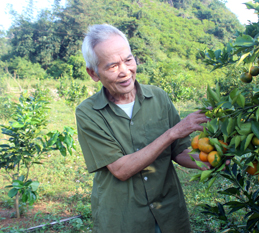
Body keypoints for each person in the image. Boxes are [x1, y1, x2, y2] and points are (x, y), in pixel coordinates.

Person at [76, 24, 211, 233]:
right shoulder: (89, 113)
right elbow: (121, 169)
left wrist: (211, 160)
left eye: (128, 60)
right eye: (112, 66)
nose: (125, 71)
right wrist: (173, 132)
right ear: (93, 73)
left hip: (169, 213)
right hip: (123, 220)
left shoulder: (158, 97)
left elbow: (180, 151)